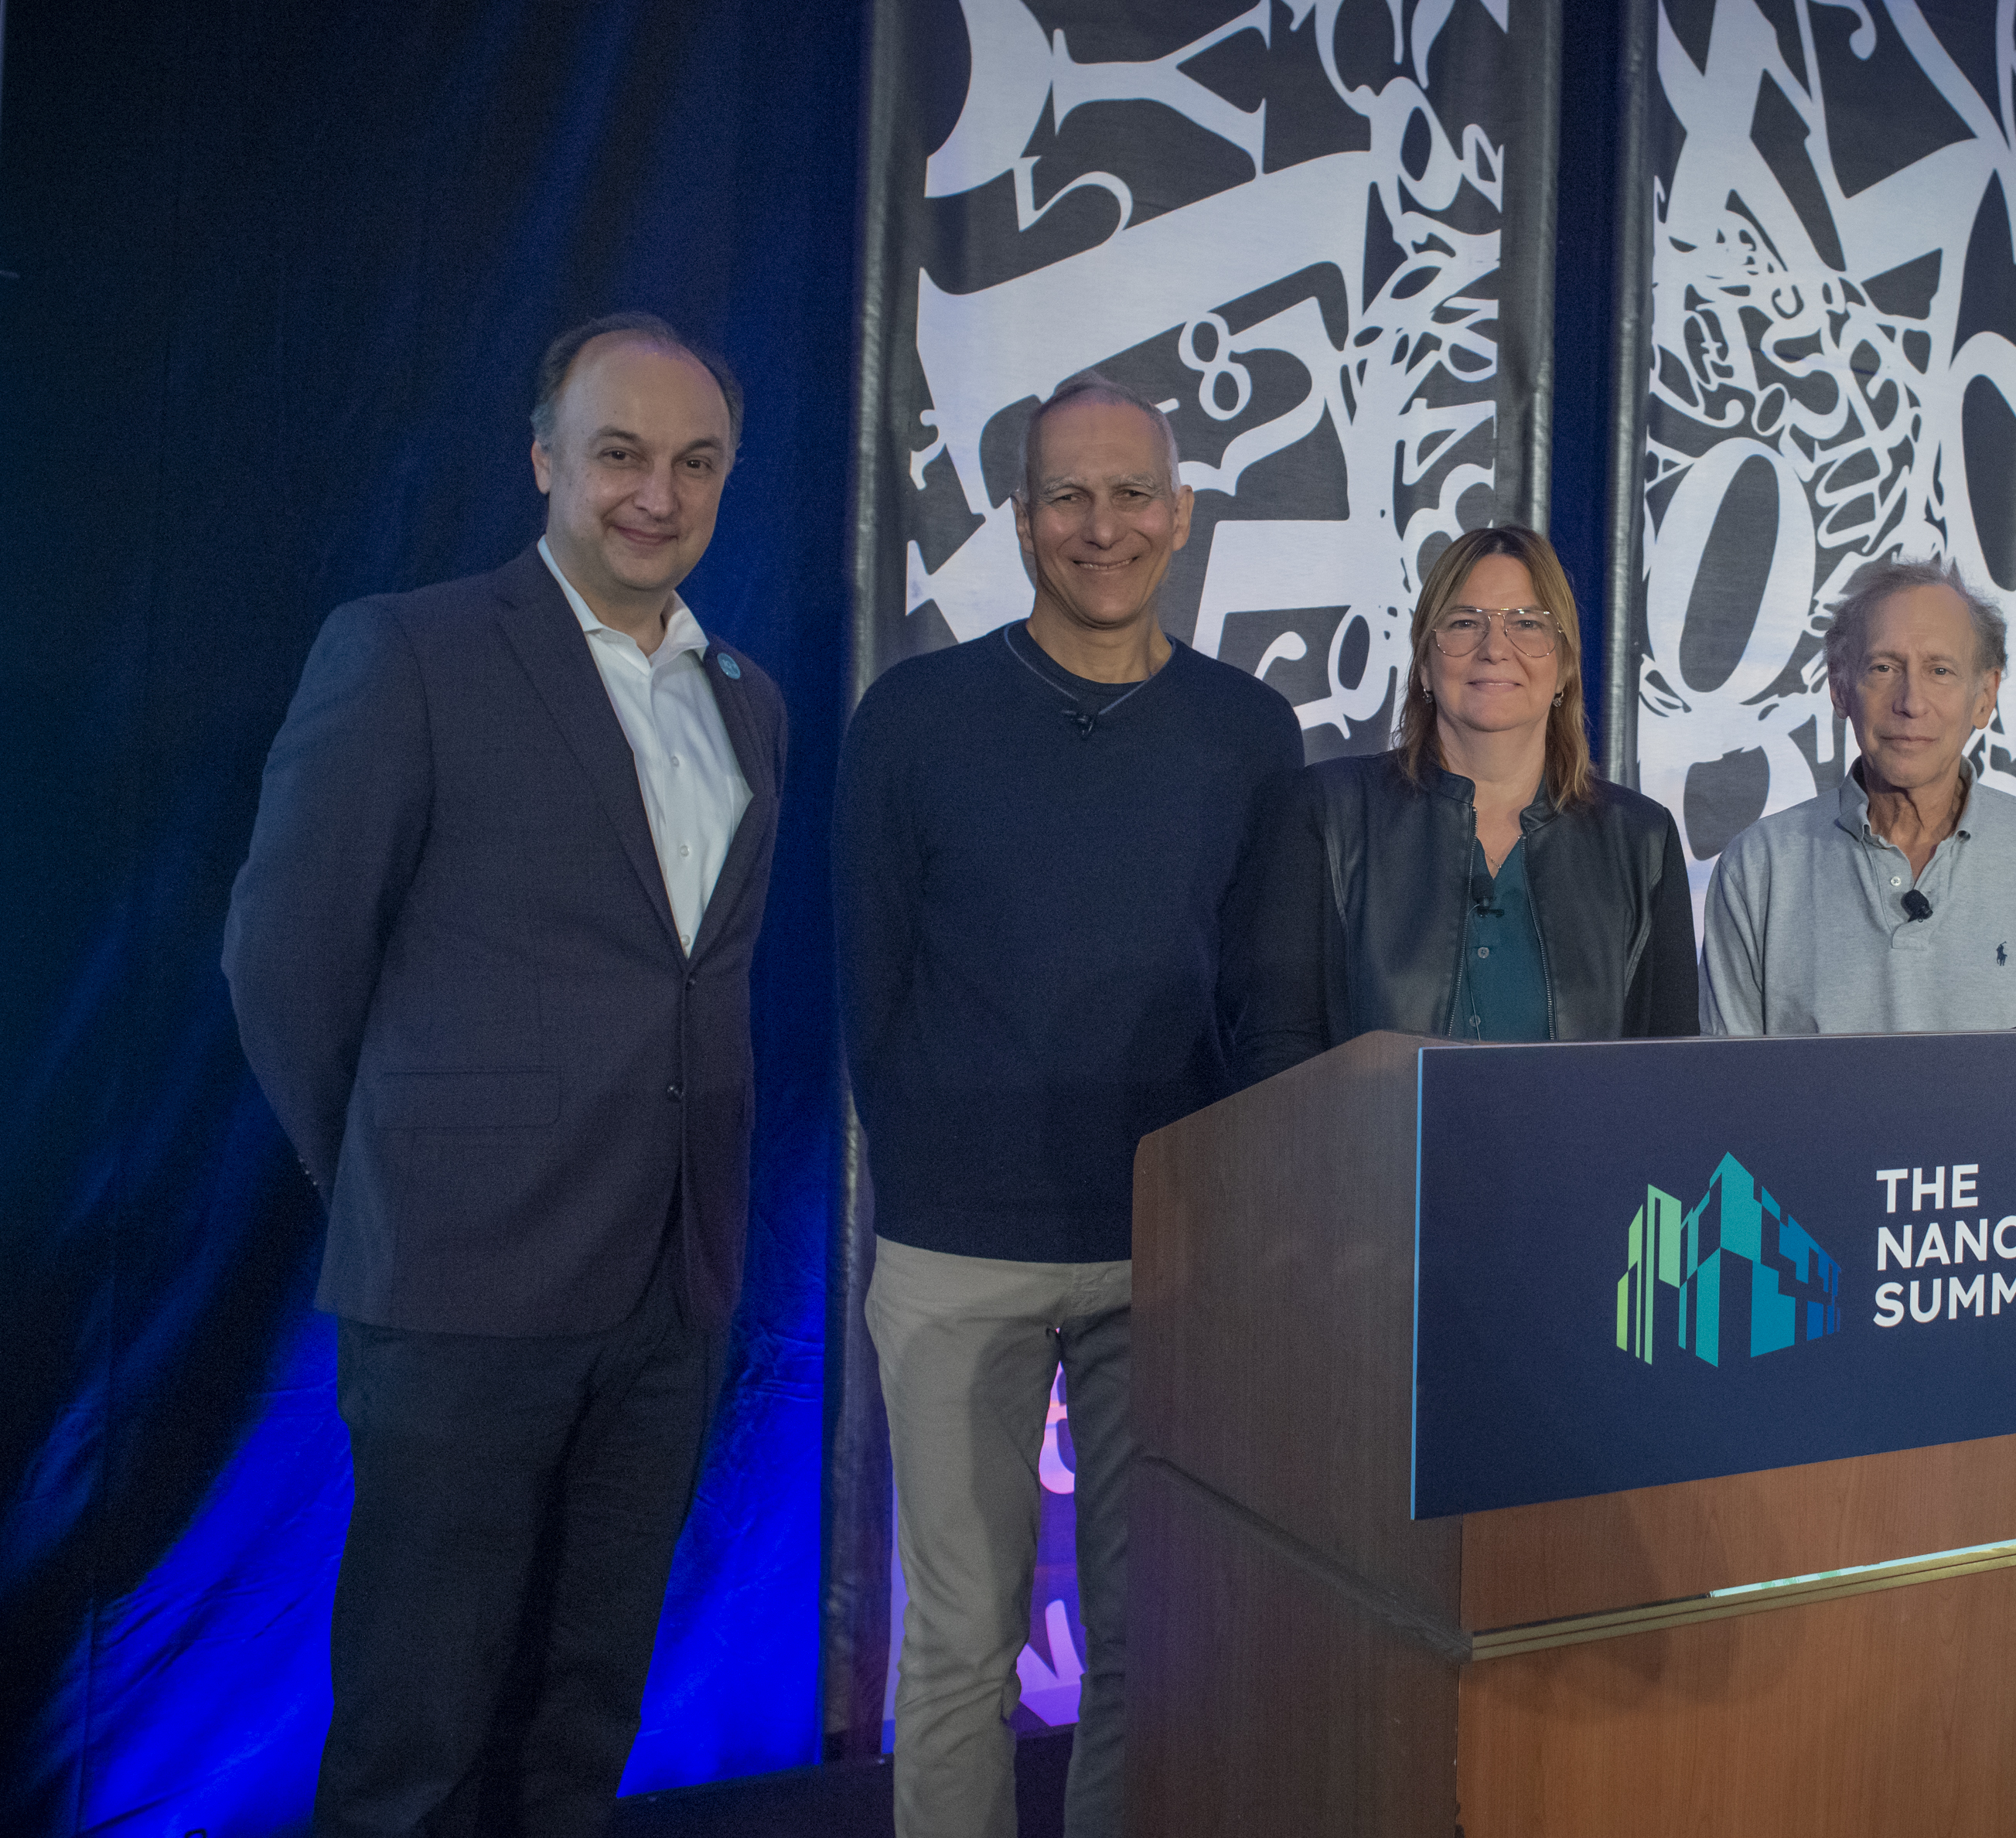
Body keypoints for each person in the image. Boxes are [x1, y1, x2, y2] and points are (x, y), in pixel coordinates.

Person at [224, 312, 786, 1835]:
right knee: (417, 1721)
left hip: (670, 1293)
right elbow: (283, 955)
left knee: (584, 1704)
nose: (654, 493)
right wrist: (393, 1175)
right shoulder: (406, 650)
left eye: (694, 462)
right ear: (545, 460)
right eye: (618, 454)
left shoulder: (747, 699)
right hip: (458, 1289)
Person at [836, 371, 1302, 1838]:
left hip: (1157, 1253)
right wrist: (935, 1174)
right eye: (1066, 495)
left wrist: (1230, 1236)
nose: (1101, 525)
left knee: (1146, 1644)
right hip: (953, 1253)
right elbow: (865, 984)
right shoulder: (912, 714)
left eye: (1130, 493)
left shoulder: (1248, 728)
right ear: (1021, 517)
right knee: (961, 1640)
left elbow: (1268, 1004)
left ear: (1178, 513)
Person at [1237, 523, 1698, 1079]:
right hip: (1368, 1164)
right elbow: (1276, 1057)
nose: (1495, 648)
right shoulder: (1322, 812)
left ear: (1564, 667)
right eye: (1463, 623)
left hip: (1579, 1167)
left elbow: (1671, 1076)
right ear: (1426, 665)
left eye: (1527, 624)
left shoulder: (1641, 840)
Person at [1700, 557, 2016, 1035]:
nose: (1911, 702)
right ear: (1839, 687)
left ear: (1985, 696)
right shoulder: (1759, 868)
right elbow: (1727, 1092)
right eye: (1884, 667)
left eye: (1941, 671)